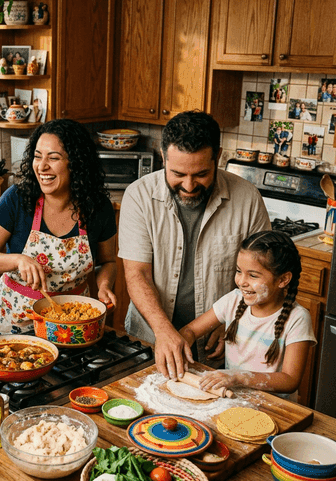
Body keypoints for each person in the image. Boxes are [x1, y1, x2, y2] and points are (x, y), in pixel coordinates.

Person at [119, 110, 271, 379]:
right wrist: (164, 332)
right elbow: (137, 273)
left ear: (218, 156)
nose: (189, 185)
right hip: (148, 337)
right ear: (164, 157)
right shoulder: (139, 196)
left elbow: (260, 277)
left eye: (201, 173)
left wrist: (235, 319)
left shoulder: (247, 199)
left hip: (218, 345)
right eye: (177, 173)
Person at [0, 118, 117, 334]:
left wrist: (104, 286)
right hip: (16, 319)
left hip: (73, 320)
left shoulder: (97, 207)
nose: (42, 166)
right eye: (37, 156)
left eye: (54, 158)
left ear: (76, 163)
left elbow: (108, 261)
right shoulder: (17, 199)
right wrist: (18, 260)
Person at [180, 231, 315, 400]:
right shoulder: (233, 300)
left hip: (274, 406)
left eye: (252, 275)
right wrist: (177, 348)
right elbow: (189, 331)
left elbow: (290, 380)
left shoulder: (298, 318)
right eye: (239, 271)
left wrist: (238, 377)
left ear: (283, 280)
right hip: (233, 399)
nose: (241, 281)